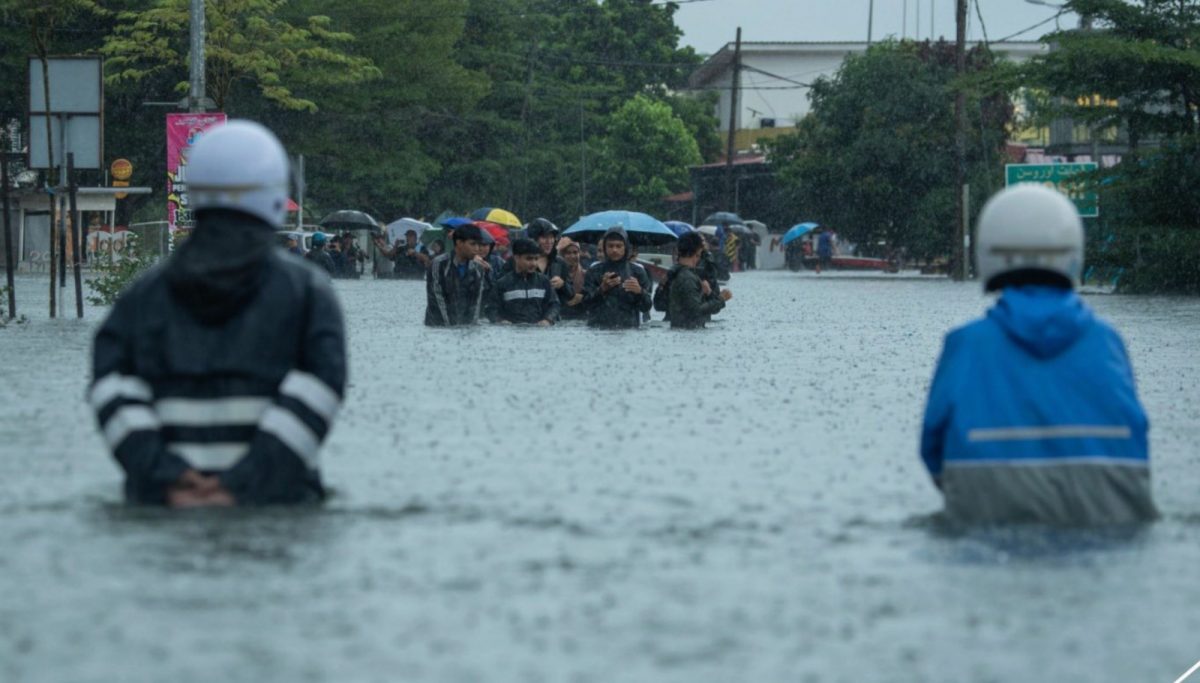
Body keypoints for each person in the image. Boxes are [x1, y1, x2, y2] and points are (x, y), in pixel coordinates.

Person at [89, 120, 346, 507]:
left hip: (160, 508)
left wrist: (169, 476)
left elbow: (112, 387)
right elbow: (321, 386)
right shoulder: (307, 291)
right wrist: (241, 484)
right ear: (275, 195)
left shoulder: (143, 294)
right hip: (277, 507)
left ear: (194, 193)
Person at [920, 184, 1157, 525]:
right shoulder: (1107, 342)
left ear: (988, 251)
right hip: (1112, 532)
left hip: (987, 529)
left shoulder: (965, 344)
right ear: (1074, 252)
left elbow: (933, 449)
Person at [580, 227, 652, 329]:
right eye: (611, 246)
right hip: (598, 330)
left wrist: (640, 292)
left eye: (619, 246)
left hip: (629, 330)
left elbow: (647, 307)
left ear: (625, 247)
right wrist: (602, 289)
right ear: (605, 247)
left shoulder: (637, 272)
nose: (614, 250)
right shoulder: (594, 271)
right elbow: (585, 304)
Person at [425, 223, 488, 326]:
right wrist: (450, 328)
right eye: (472, 244)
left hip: (465, 327)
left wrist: (469, 327)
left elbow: (475, 304)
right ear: (459, 243)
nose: (477, 249)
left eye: (479, 244)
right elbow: (437, 300)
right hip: (437, 328)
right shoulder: (439, 264)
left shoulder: (478, 268)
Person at [668, 232, 733, 329]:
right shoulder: (687, 278)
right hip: (689, 331)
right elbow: (696, 311)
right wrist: (721, 299)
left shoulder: (677, 273)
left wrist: (710, 294)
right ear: (697, 251)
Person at [487, 238, 558, 326]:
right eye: (529, 259)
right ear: (516, 258)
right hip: (511, 332)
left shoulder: (544, 281)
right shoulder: (502, 283)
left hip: (539, 331)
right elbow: (491, 308)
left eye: (536, 259)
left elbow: (554, 305)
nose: (534, 263)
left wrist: (547, 320)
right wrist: (500, 321)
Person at [525, 218, 574, 308]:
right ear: (533, 239)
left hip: (555, 316)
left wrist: (562, 285)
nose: (549, 241)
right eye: (544, 237)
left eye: (552, 237)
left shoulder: (559, 263)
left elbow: (571, 293)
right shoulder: (521, 262)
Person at [556, 237, 587, 320]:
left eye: (575, 252)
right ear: (562, 255)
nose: (572, 256)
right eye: (568, 253)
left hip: (580, 316)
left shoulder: (586, 275)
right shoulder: (556, 274)